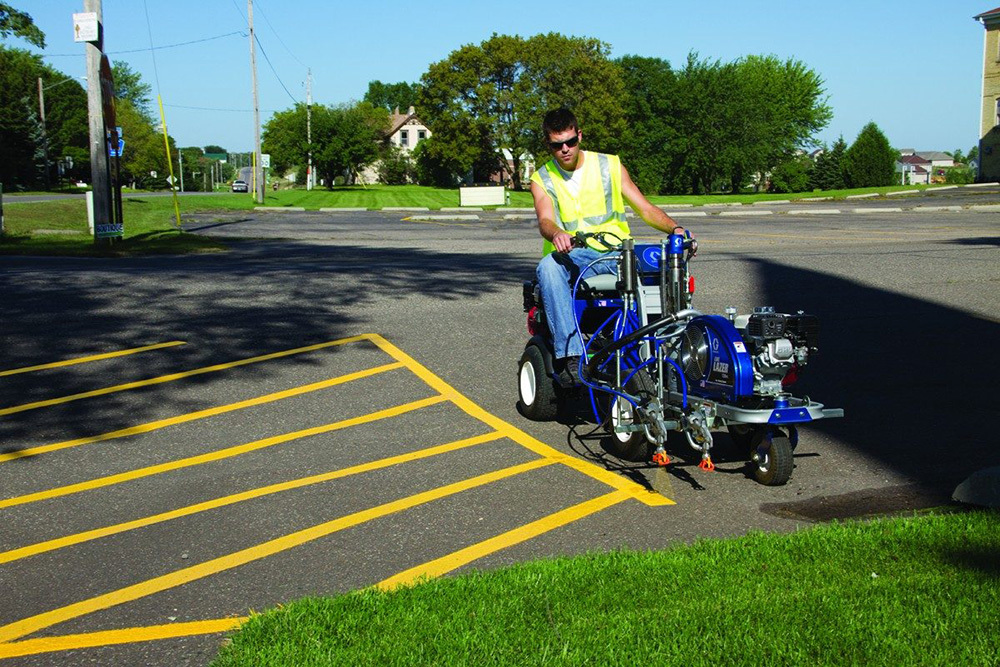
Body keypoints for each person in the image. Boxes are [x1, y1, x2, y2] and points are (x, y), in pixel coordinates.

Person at [530, 108, 689, 387]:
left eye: (570, 142)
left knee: (666, 263)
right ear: (548, 145)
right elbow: (545, 219)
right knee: (548, 267)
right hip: (574, 257)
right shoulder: (542, 179)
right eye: (557, 145)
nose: (565, 149)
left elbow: (645, 208)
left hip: (617, 253)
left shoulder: (609, 166)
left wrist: (676, 229)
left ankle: (675, 350)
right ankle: (571, 357)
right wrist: (557, 234)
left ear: (580, 135)